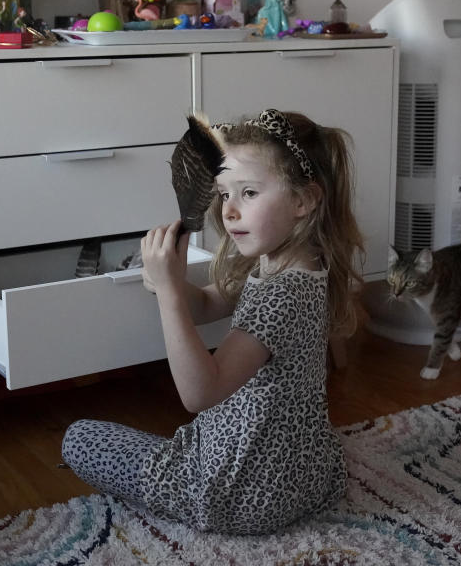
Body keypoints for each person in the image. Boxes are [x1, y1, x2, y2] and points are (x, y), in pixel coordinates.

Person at [62, 108, 365, 534]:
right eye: (224, 194)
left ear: (303, 200)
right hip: (306, 476)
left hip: (236, 493)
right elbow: (205, 306)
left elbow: (199, 393)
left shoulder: (280, 296)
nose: (230, 211)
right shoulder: (295, 266)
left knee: (79, 439)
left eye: (249, 193)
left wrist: (168, 296)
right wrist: (170, 280)